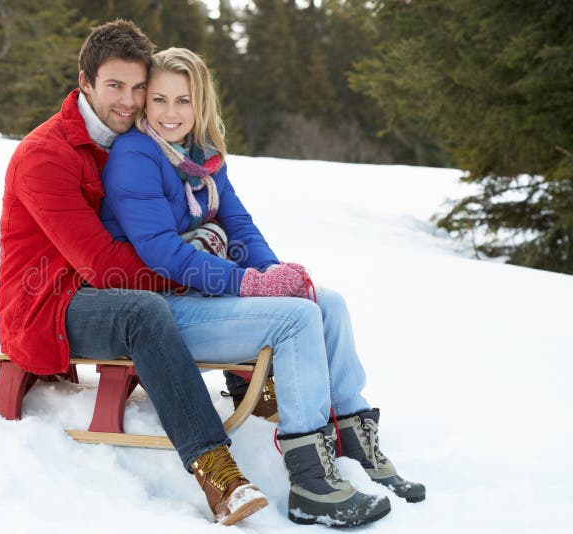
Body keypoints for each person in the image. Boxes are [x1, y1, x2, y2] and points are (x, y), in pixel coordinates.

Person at [100, 47, 426, 527]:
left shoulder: (204, 158)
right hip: (164, 311)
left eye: (183, 101)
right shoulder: (135, 156)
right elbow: (161, 252)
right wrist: (250, 283)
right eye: (161, 100)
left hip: (207, 298)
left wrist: (275, 277)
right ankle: (312, 481)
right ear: (146, 102)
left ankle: (353, 439)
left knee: (323, 303)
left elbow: (240, 225)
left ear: (201, 103)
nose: (171, 114)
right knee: (296, 321)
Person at [0, 20, 270, 526]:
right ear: (86, 83)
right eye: (114, 86)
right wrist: (195, 269)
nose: (128, 100)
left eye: (138, 87)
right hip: (50, 303)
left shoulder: (130, 143)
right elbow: (101, 265)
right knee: (146, 308)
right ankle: (216, 469)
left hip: (101, 289)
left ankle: (253, 380)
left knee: (193, 266)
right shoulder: (46, 155)